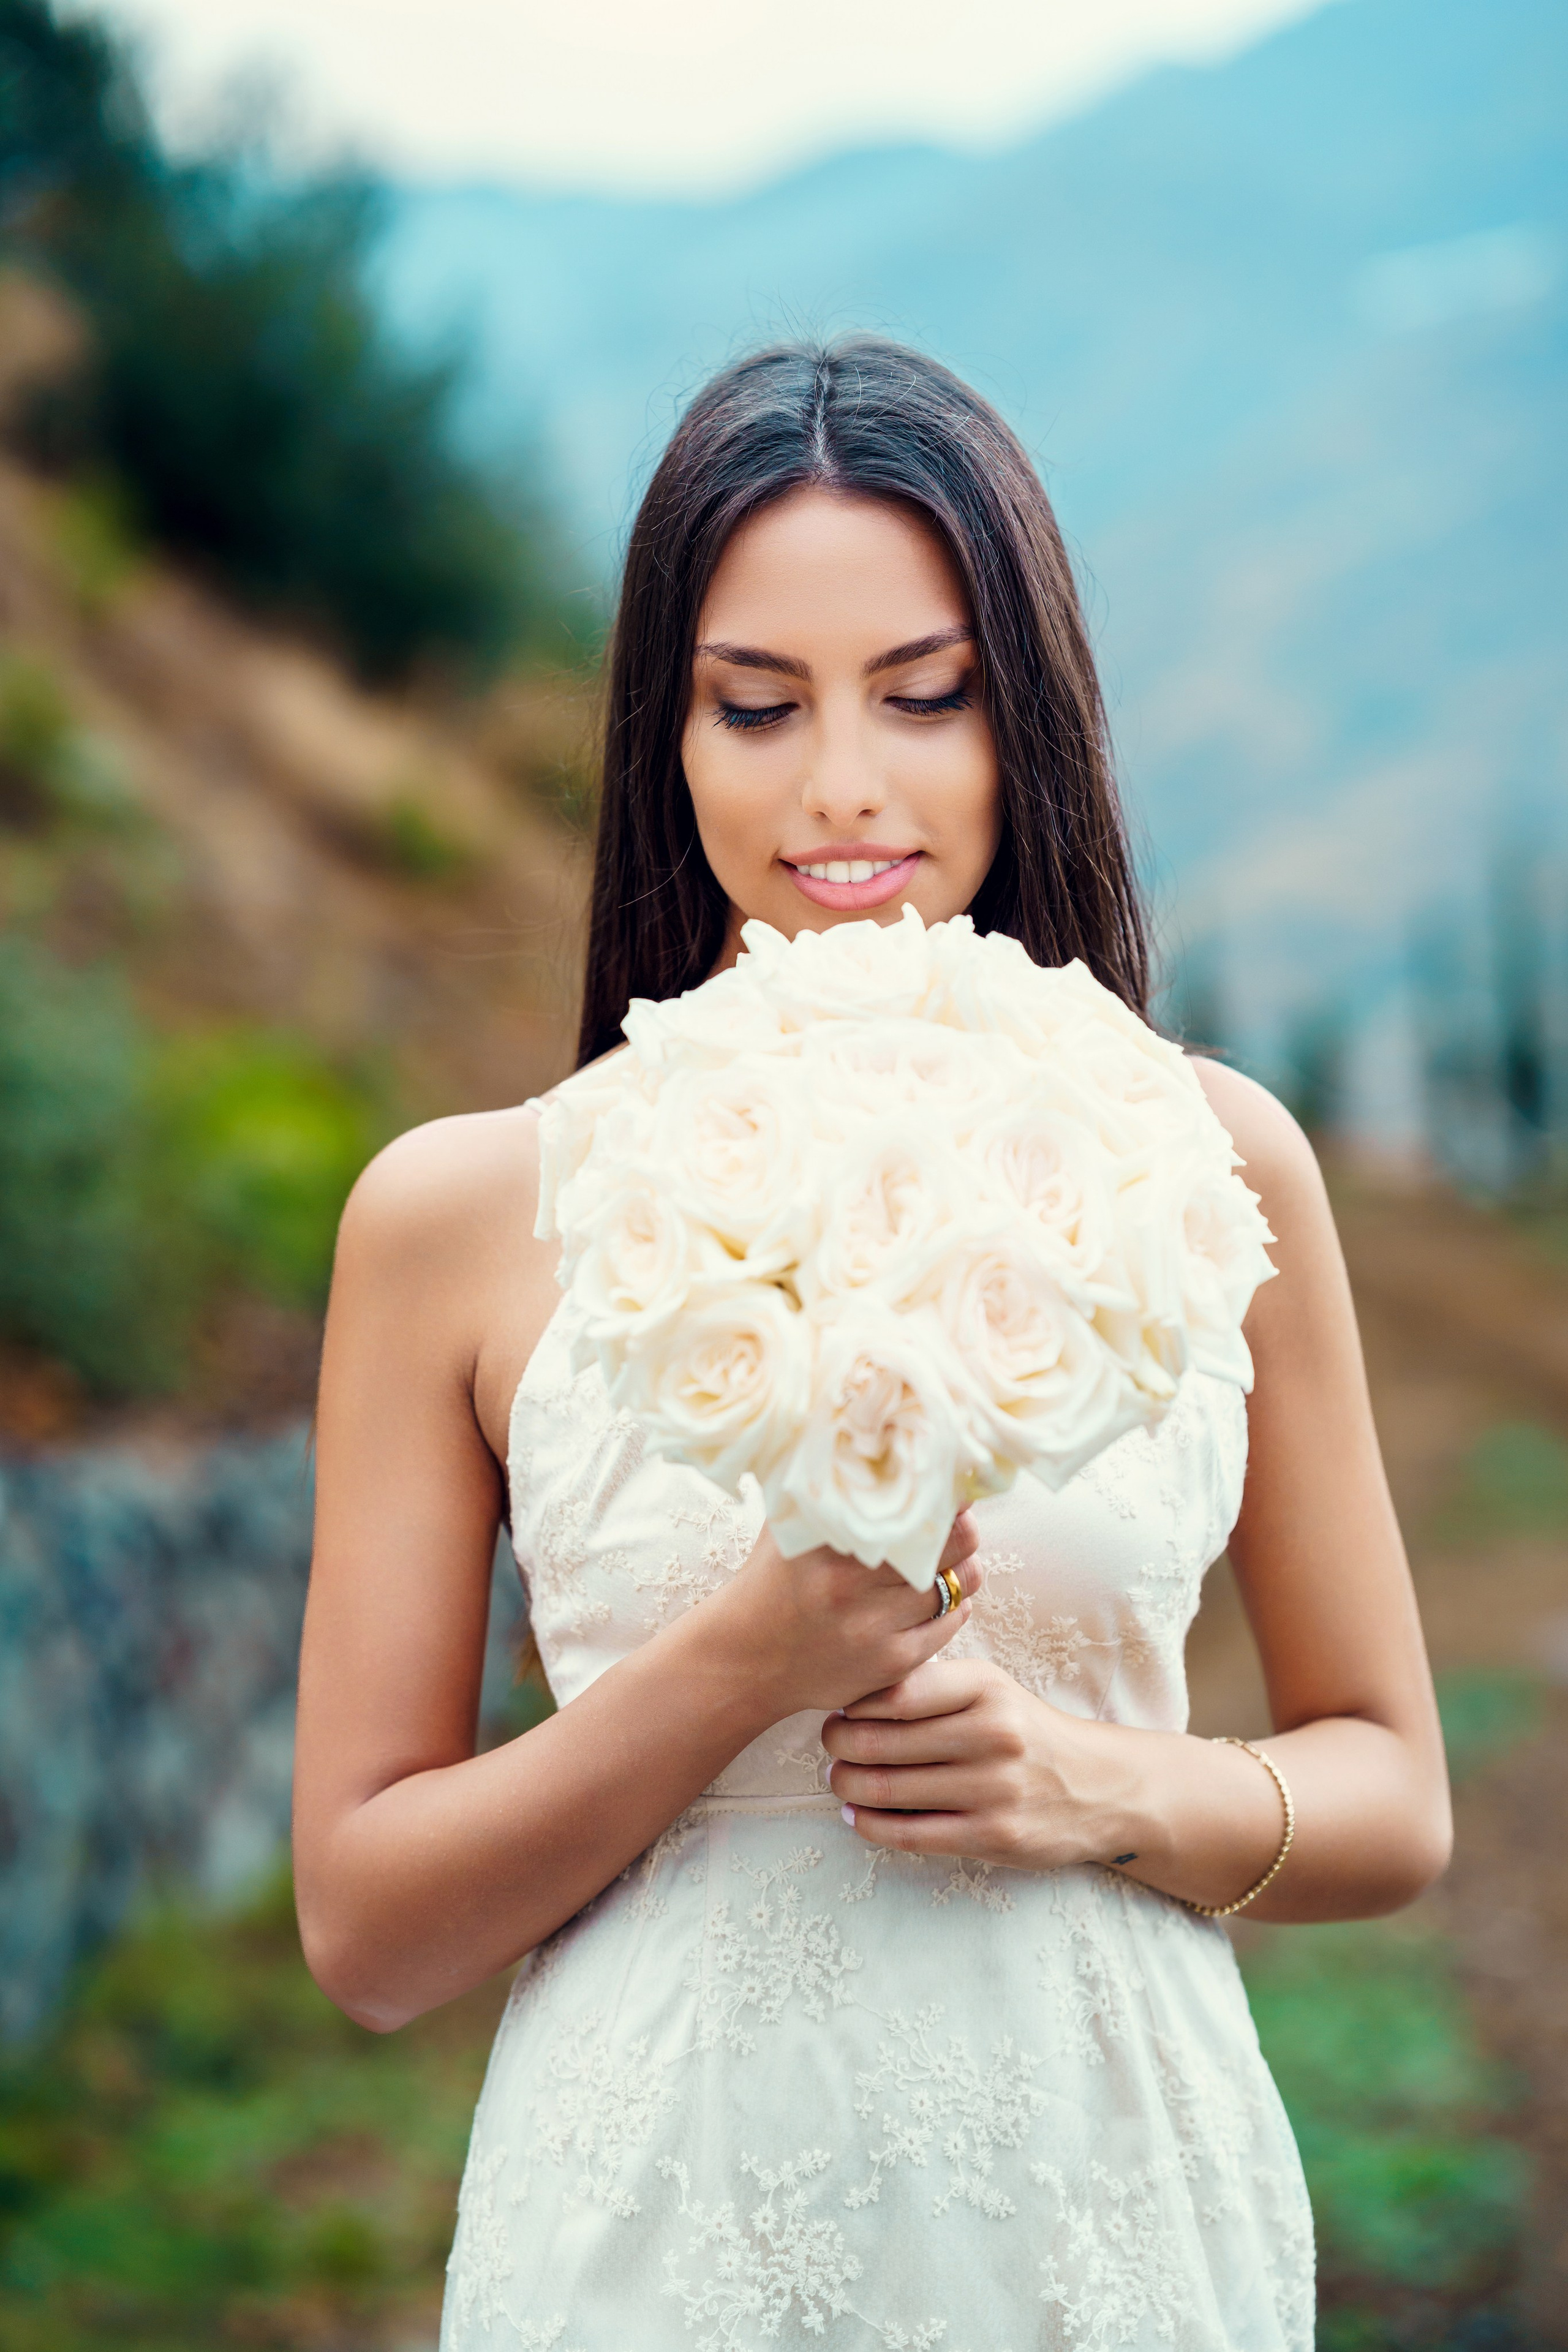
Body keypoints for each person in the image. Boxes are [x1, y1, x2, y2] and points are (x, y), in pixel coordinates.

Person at [293, 339, 1452, 2350]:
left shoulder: (1208, 1158)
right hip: (655, 2234)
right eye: (759, 706)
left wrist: (1101, 1785)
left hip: (1113, 2211)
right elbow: (369, 1931)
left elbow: (1397, 1797)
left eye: (927, 698)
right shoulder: (456, 1219)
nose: (845, 782)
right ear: (667, 732)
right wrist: (745, 1660)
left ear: (1032, 722)